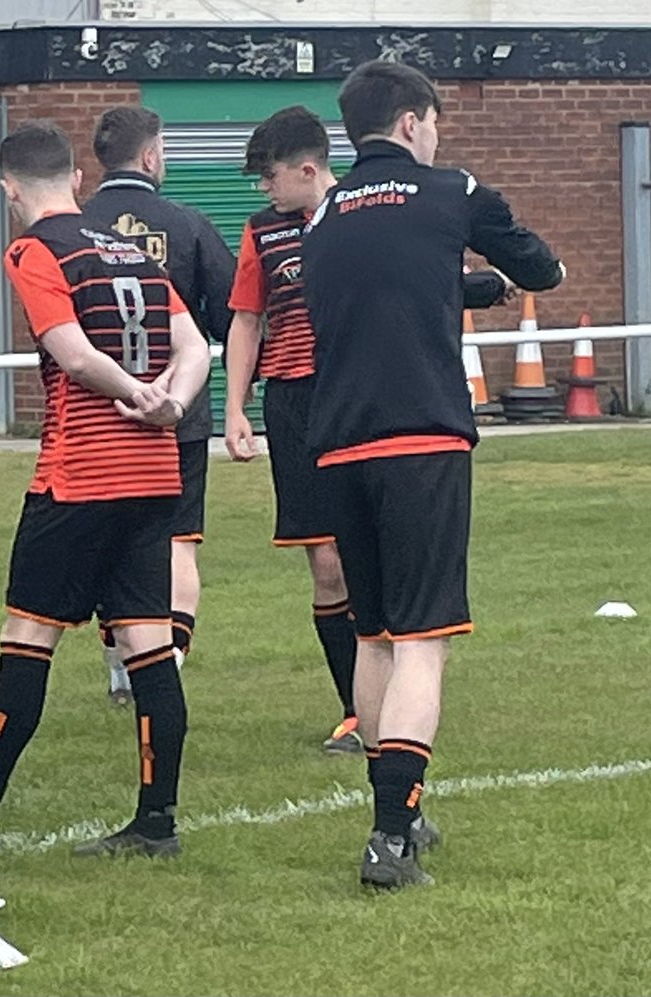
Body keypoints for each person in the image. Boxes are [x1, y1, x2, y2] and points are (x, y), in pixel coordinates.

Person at [0, 120, 212, 858]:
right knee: (147, 643)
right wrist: (168, 399)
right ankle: (156, 821)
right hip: (154, 471)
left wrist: (132, 391)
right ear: (76, 179)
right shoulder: (131, 250)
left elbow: (70, 352)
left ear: (9, 189)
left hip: (81, 474)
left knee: (28, 637)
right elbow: (196, 343)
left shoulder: (35, 249)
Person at [301, 61, 564, 888]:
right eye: (435, 122)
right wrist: (492, 270)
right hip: (423, 439)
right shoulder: (451, 189)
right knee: (423, 642)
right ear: (413, 121)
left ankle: (403, 810)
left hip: (338, 442)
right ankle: (389, 837)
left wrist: (456, 285)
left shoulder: (322, 216)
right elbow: (543, 268)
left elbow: (381, 294)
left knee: (374, 636)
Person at [83, 105, 234, 706]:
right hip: (178, 411)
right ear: (151, 156)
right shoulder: (189, 223)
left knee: (107, 539)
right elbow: (228, 316)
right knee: (177, 541)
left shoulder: (71, 226)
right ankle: (164, 665)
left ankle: (123, 669)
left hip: (93, 414)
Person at [223, 106, 361, 753]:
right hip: (296, 404)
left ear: (309, 169)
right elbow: (247, 320)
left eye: (270, 176)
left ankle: (392, 692)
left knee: (371, 556)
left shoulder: (365, 211)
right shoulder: (262, 232)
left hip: (361, 396)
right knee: (326, 562)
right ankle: (356, 707)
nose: (264, 189)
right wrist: (235, 409)